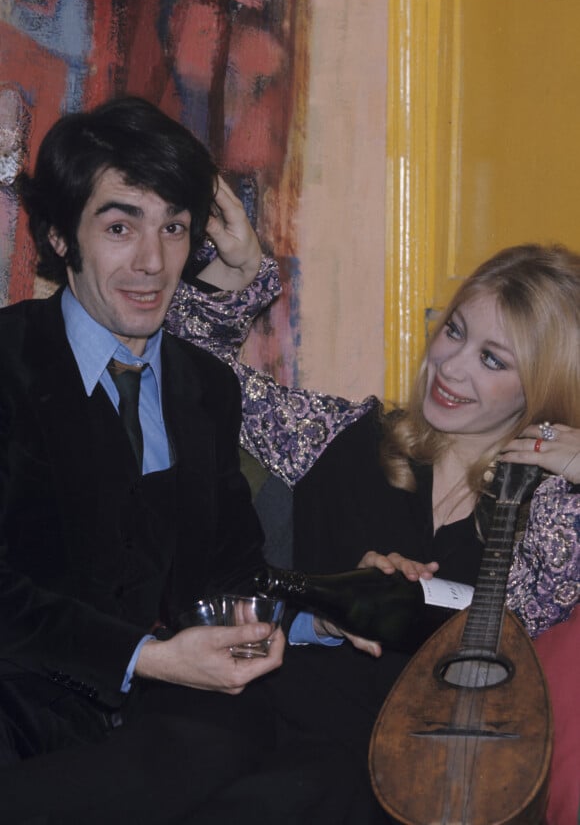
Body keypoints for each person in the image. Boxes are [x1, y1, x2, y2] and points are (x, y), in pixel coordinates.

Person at [0, 96, 368, 825]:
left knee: (338, 776)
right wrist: (147, 654)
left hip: (174, 721)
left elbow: (234, 571)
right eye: (119, 225)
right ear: (59, 237)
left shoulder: (206, 385)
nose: (152, 261)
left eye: (173, 226)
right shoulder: (9, 365)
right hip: (26, 700)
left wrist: (317, 615)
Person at [165, 205, 580, 816]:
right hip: (257, 727)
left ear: (541, 387)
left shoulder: (544, 517)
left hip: (411, 781)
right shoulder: (344, 434)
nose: (451, 366)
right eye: (456, 330)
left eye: (494, 360)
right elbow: (193, 370)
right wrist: (241, 272)